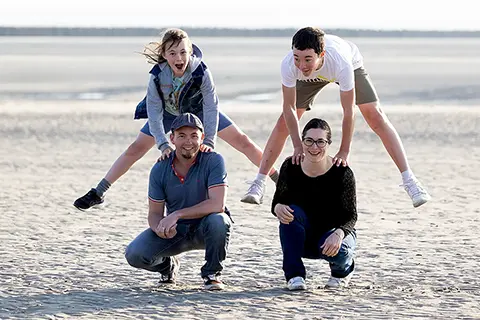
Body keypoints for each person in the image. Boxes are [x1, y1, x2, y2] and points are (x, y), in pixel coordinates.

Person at [74, 28, 278, 210]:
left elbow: (211, 106)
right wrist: (163, 144)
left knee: (243, 141)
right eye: (172, 53)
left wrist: (208, 141)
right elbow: (154, 112)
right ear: (164, 55)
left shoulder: (201, 72)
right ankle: (98, 192)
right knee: (135, 149)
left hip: (199, 111)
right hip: (169, 114)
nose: (178, 57)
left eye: (183, 52)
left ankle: (278, 179)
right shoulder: (156, 76)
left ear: (190, 53)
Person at [242, 27, 430, 208]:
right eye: (297, 58)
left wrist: (344, 151)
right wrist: (298, 145)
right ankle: (259, 182)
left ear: (320, 54)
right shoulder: (290, 65)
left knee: (375, 115)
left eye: (308, 59)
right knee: (283, 122)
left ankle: (410, 181)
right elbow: (289, 107)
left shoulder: (340, 62)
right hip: (312, 78)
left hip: (349, 65)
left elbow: (348, 110)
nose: (301, 65)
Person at [125, 113, 231, 290]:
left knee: (219, 220)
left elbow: (216, 204)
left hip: (206, 230)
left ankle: (212, 274)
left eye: (194, 136)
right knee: (134, 254)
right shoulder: (160, 168)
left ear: (202, 138)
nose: (188, 141)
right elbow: (154, 214)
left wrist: (176, 214)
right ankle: (167, 266)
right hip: (176, 232)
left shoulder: (214, 160)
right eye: (182, 136)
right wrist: (160, 229)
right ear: (172, 138)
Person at [272, 118, 357, 291]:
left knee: (341, 251)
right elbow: (277, 201)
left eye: (320, 142)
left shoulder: (342, 171)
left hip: (331, 236)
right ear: (302, 141)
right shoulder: (291, 166)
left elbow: (351, 216)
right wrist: (277, 208)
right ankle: (294, 275)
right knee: (290, 212)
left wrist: (339, 234)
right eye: (309, 141)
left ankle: (342, 272)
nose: (314, 147)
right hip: (301, 238)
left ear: (328, 143)